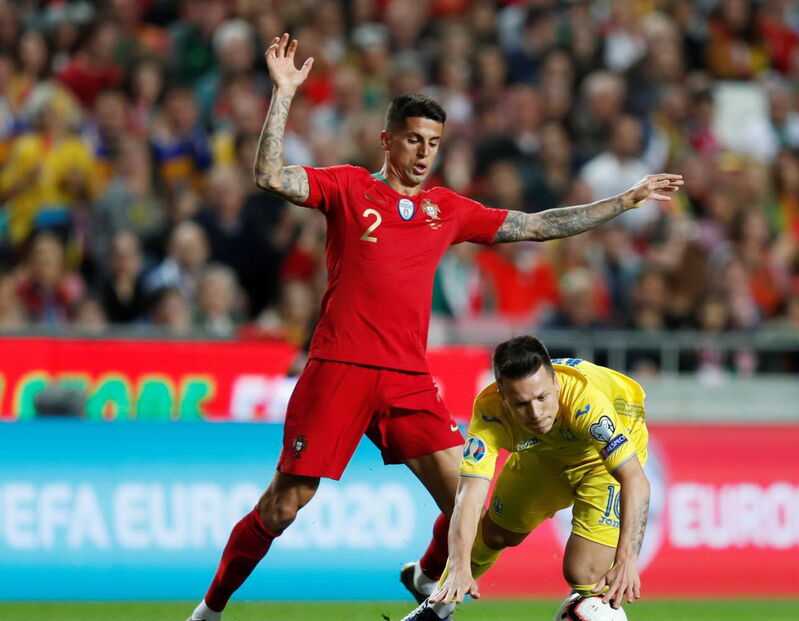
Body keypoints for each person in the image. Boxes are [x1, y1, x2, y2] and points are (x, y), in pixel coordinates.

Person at [186, 33, 680, 621]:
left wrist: (623, 201)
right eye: (415, 140)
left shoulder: (446, 210)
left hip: (407, 379)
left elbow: (537, 224)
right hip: (339, 366)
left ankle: (424, 577)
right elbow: (270, 175)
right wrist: (284, 95)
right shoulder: (348, 187)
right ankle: (209, 610)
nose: (424, 153)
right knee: (285, 504)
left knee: (472, 502)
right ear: (388, 139)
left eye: (435, 143)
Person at [402, 337, 651, 621]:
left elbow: (635, 480)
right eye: (521, 403)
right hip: (544, 453)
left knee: (584, 575)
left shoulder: (587, 405)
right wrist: (459, 566)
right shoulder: (489, 412)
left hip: (601, 460)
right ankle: (438, 603)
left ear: (556, 383)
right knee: (495, 534)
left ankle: (587, 609)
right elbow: (468, 495)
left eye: (542, 397)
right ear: (503, 398)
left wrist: (628, 560)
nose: (536, 413)